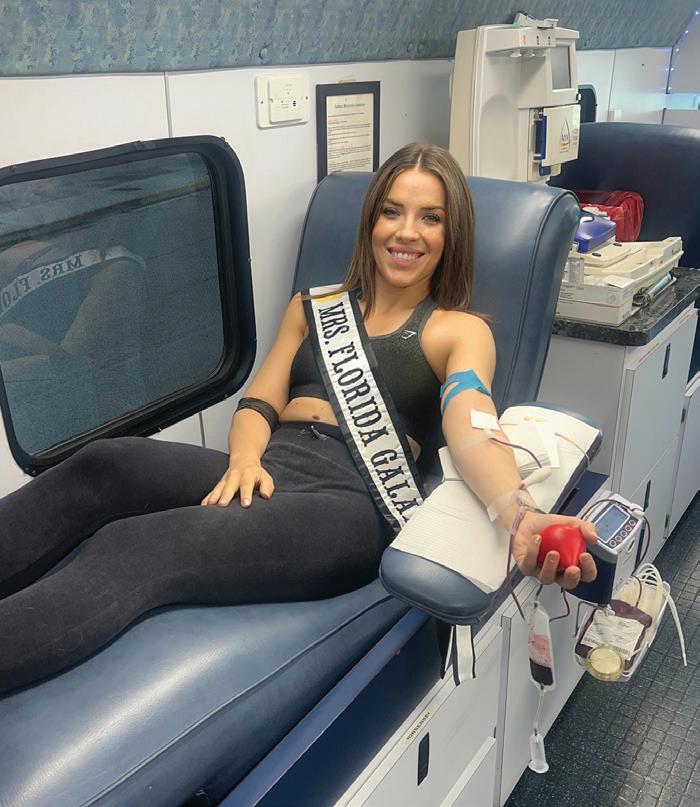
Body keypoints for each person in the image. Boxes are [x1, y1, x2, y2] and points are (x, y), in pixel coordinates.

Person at [0, 143, 597, 695]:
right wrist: (243, 460)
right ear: (371, 221)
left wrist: (519, 513)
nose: (406, 232)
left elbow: (472, 425)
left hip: (347, 504)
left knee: (135, 545)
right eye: (392, 211)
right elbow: (259, 401)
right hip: (268, 468)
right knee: (105, 463)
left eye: (430, 218)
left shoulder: (457, 331)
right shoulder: (313, 307)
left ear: (451, 234)